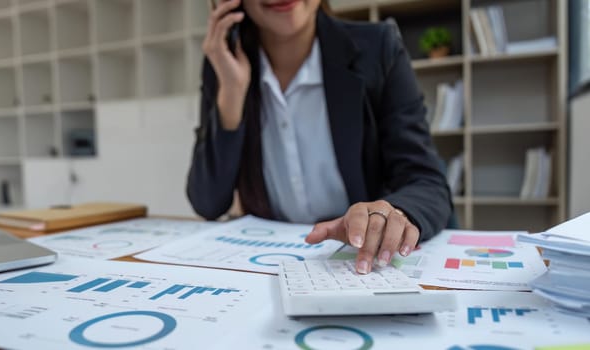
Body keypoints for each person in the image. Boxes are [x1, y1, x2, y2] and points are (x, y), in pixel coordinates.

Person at [187, 0, 453, 274]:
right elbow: (208, 202)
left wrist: (389, 215)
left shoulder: (378, 47)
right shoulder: (223, 62)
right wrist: (231, 94)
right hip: (276, 262)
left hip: (359, 263)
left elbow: (427, 181)